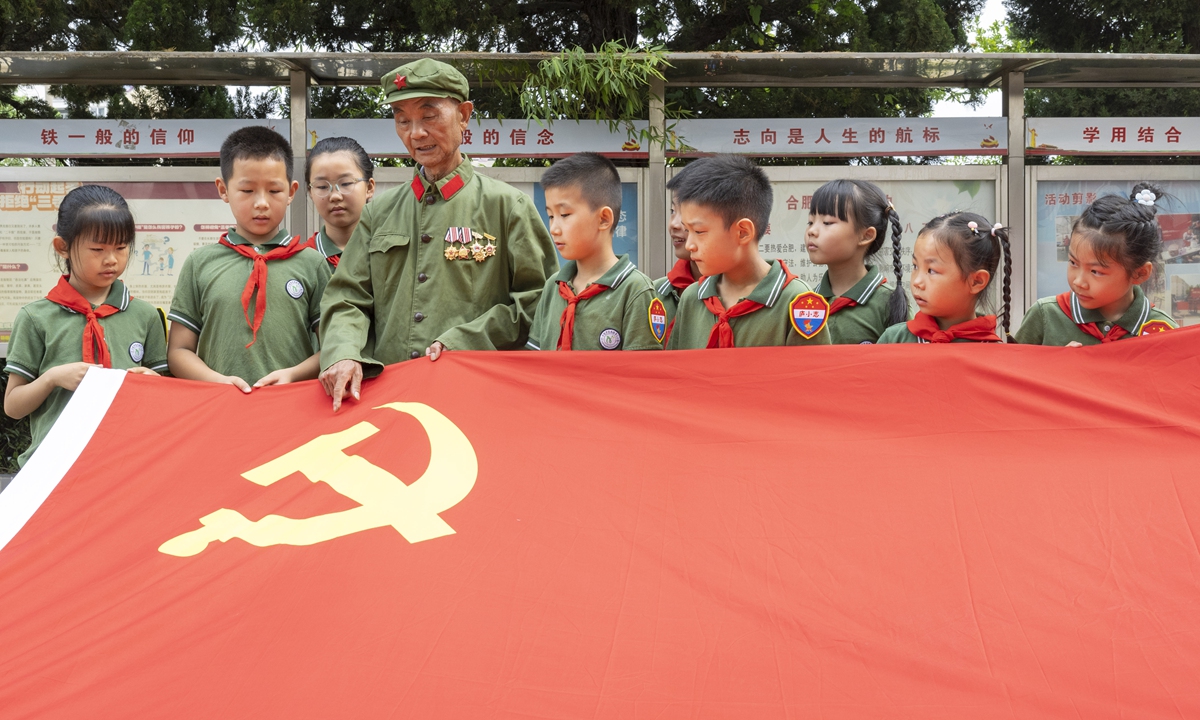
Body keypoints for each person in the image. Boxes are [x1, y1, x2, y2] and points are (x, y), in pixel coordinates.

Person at [319, 58, 557, 410]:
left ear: (463, 115)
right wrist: (343, 352)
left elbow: (540, 302)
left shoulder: (507, 206)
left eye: (429, 116)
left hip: (476, 398)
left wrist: (466, 339)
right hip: (389, 398)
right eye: (403, 120)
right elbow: (347, 299)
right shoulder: (379, 213)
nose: (415, 133)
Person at [3, 185, 166, 467]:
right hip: (52, 467)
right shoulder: (35, 317)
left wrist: (154, 383)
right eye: (97, 249)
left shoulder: (145, 315)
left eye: (121, 247)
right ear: (62, 247)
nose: (111, 259)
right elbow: (13, 406)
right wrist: (52, 377)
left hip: (127, 464)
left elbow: (167, 401)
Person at [167, 126, 329, 392]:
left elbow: (334, 346)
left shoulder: (311, 264)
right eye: (247, 190)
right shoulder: (200, 263)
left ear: (291, 191)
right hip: (219, 408)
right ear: (223, 189)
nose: (262, 202)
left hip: (293, 409)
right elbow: (179, 351)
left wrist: (293, 374)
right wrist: (218, 381)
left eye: (274, 191)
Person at [665, 155, 831, 349]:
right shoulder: (693, 297)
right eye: (688, 230)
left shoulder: (797, 301)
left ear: (743, 232)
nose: (689, 245)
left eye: (699, 232)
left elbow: (811, 376)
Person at [525, 153, 663, 351]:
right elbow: (535, 363)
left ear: (604, 219)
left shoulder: (635, 290)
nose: (554, 228)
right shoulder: (553, 286)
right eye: (550, 215)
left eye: (564, 214)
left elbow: (641, 375)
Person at [1016, 183, 1176, 345]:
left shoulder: (1163, 331)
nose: (1078, 281)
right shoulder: (1046, 315)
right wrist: (1058, 364)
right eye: (1073, 262)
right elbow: (1013, 368)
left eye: (1095, 271)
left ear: (1139, 273)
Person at [877, 212, 1009, 344]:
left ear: (976, 281)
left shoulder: (993, 352)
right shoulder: (894, 339)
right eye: (915, 266)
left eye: (931, 271)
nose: (917, 282)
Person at [805, 179, 908, 344]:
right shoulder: (806, 300)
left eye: (827, 223)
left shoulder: (887, 303)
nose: (811, 231)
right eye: (810, 222)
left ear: (866, 235)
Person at [305, 136, 375, 268]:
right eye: (322, 186)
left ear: (369, 187)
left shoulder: (390, 251)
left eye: (346, 183)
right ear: (311, 192)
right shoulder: (301, 260)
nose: (335, 196)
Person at [652, 170, 700, 342]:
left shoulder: (737, 296)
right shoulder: (652, 294)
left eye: (687, 213)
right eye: (673, 210)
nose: (673, 224)